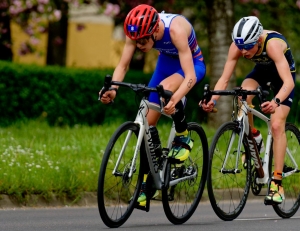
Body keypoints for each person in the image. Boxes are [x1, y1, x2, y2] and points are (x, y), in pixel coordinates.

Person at [100, 4, 206, 206]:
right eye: (136, 40)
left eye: (143, 40)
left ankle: (184, 136)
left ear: (155, 29)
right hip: (165, 64)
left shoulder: (175, 30)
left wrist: (176, 98)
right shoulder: (137, 31)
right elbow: (123, 65)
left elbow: (190, 76)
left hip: (192, 64)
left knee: (165, 88)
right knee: (146, 125)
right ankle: (146, 182)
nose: (139, 44)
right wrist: (113, 89)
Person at [201, 16, 296, 204]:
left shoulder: (272, 45)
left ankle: (277, 183)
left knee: (277, 125)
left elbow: (289, 82)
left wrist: (276, 101)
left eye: (248, 47)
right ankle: (254, 136)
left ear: (258, 40)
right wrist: (213, 100)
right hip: (261, 71)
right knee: (242, 95)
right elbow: (224, 79)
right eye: (240, 46)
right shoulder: (237, 46)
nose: (243, 51)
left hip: (283, 79)